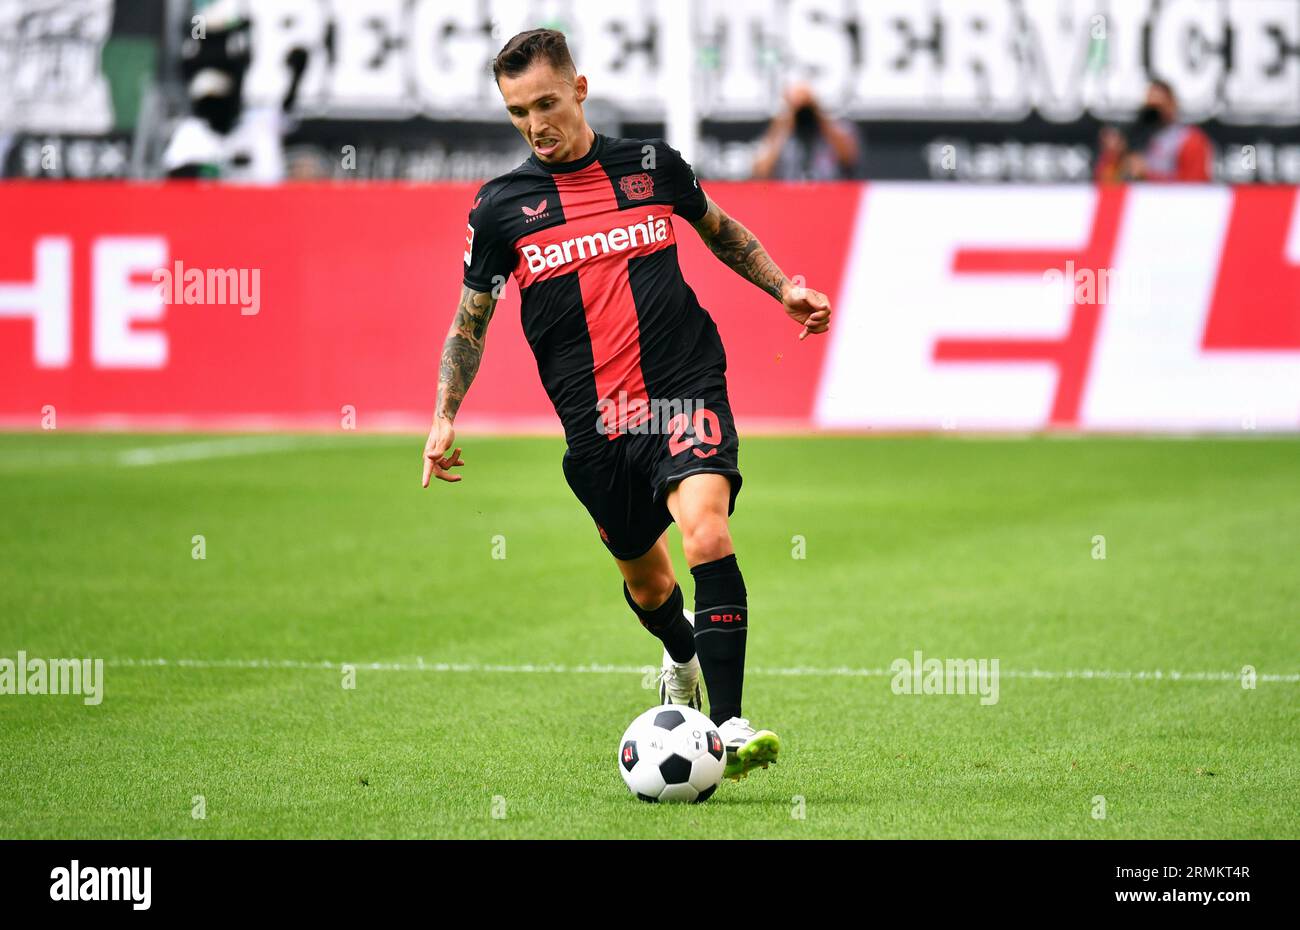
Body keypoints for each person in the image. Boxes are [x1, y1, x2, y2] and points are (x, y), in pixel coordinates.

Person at [421, 29, 833, 782]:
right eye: (518, 111)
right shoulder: (501, 209)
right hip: (599, 427)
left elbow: (720, 231)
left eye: (547, 102)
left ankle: (729, 725)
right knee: (648, 584)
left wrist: (784, 288)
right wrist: (445, 411)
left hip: (683, 384)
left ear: (579, 90)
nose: (536, 123)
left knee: (706, 532)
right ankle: (680, 652)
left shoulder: (650, 166)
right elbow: (469, 319)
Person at [1095, 79, 1213, 183]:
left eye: (1159, 106)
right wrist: (1113, 156)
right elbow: (1106, 181)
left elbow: (1196, 186)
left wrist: (1148, 174)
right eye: (1150, 107)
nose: (1154, 113)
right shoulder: (1134, 137)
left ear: (1172, 104)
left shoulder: (1189, 139)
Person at [752, 82, 861, 181]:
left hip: (829, 194)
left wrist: (817, 111)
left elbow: (849, 157)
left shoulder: (837, 127)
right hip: (788, 196)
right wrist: (788, 116)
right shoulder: (779, 130)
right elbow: (761, 171)